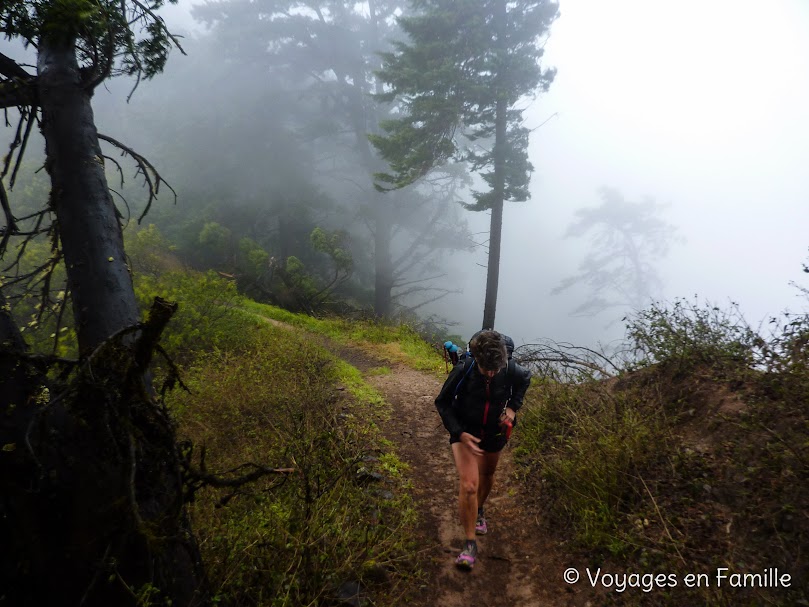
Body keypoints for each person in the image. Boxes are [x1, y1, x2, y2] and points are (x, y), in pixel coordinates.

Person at [434, 330, 531, 570]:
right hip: (465, 430)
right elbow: (442, 402)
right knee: (469, 485)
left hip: (494, 432)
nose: (490, 373)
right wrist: (458, 431)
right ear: (476, 359)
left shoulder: (511, 369)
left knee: (487, 475)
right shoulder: (463, 369)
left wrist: (513, 408)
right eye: (485, 369)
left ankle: (479, 511)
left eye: (495, 369)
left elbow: (525, 380)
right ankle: (469, 544)